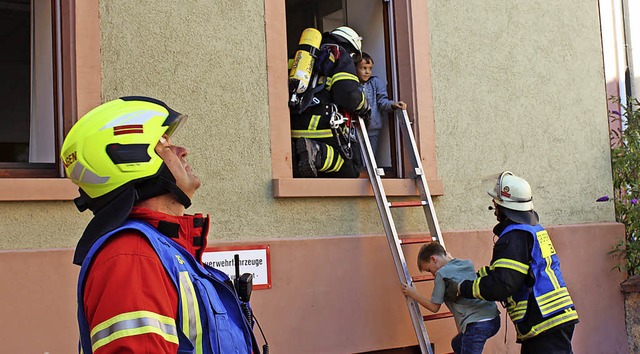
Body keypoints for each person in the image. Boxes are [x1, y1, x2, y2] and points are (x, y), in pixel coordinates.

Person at [61, 96, 259, 353]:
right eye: (163, 143)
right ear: (130, 160)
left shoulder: (162, 250)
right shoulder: (132, 257)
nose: (182, 151)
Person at [449, 171, 579, 353]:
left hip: (543, 321)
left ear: (505, 207)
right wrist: (474, 276)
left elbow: (503, 284)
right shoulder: (531, 230)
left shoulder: (515, 236)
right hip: (551, 319)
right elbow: (504, 271)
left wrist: (462, 288)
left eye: (496, 204)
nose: (494, 209)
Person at [290, 26, 371, 178]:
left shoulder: (305, 57)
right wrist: (364, 107)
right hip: (322, 128)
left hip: (294, 126)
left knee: (307, 162)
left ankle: (305, 155)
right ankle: (314, 151)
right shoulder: (340, 55)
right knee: (351, 167)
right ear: (352, 49)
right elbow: (348, 94)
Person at [401, 243, 500, 354]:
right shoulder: (467, 264)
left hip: (476, 324)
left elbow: (434, 307)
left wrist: (413, 293)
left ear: (433, 259)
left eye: (429, 270)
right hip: (494, 319)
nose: (432, 274)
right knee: (458, 344)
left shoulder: (441, 274)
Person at [354, 52, 406, 155]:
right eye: (363, 68)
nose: (367, 72)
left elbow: (382, 101)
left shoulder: (375, 82)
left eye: (370, 68)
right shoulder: (352, 84)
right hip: (355, 130)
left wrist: (393, 105)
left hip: (373, 129)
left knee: (370, 157)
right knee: (357, 159)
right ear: (355, 68)